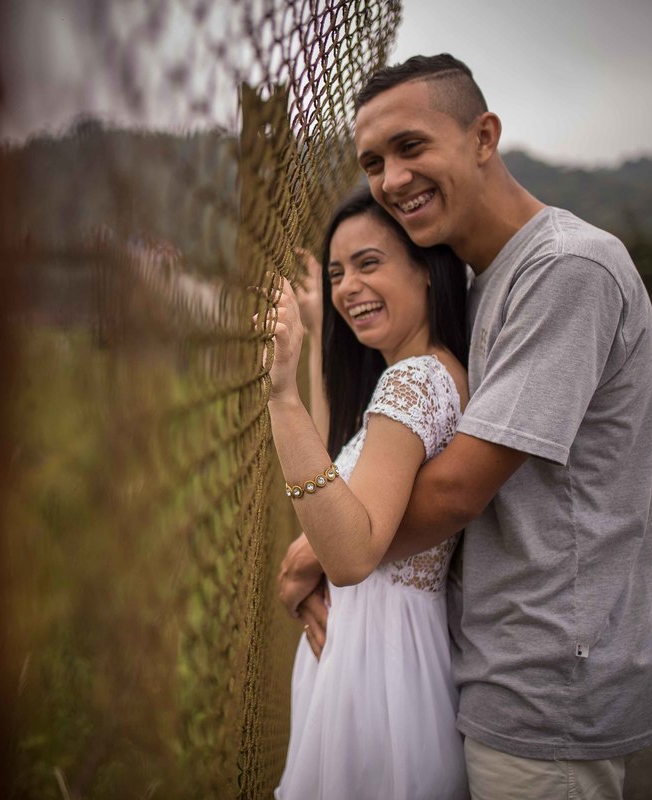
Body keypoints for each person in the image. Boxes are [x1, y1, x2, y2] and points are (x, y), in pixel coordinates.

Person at [278, 54, 652, 799]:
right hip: (486, 668)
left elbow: (455, 490)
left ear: (483, 136)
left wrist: (323, 548)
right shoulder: (484, 286)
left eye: (411, 146)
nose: (392, 178)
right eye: (372, 162)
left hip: (548, 687)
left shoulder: (568, 269)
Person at [264, 187, 470, 799]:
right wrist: (317, 332)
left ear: (426, 268)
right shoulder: (423, 376)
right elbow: (337, 471)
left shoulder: (412, 382)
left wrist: (281, 395)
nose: (349, 286)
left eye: (368, 263)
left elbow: (349, 554)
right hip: (388, 655)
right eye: (337, 273)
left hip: (378, 669)